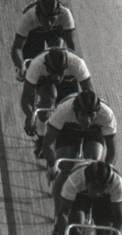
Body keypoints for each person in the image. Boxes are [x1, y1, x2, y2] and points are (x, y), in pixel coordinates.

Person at [42, 91, 118, 222]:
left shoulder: (106, 115)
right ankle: (57, 213)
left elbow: (112, 151)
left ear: (97, 113)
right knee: (64, 170)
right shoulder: (63, 112)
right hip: (69, 130)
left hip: (94, 132)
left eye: (92, 116)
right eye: (83, 115)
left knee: (94, 165)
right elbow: (47, 144)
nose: (87, 120)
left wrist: (105, 171)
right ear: (75, 111)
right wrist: (52, 166)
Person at [21, 47, 93, 157]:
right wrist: (30, 116)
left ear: (67, 66)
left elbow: (89, 95)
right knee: (49, 98)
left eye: (60, 73)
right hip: (45, 80)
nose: (57, 77)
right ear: (46, 67)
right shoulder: (36, 65)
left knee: (74, 108)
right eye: (54, 73)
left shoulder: (77, 64)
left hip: (69, 80)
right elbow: (26, 96)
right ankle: (41, 137)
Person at [11, 0, 77, 80]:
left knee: (56, 57)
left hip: (55, 33)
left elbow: (71, 44)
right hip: (34, 35)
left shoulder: (65, 14)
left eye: (52, 19)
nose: (49, 24)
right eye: (45, 20)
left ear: (58, 15)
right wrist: (21, 67)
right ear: (38, 16)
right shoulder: (28, 18)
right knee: (34, 67)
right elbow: (17, 48)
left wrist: (71, 66)